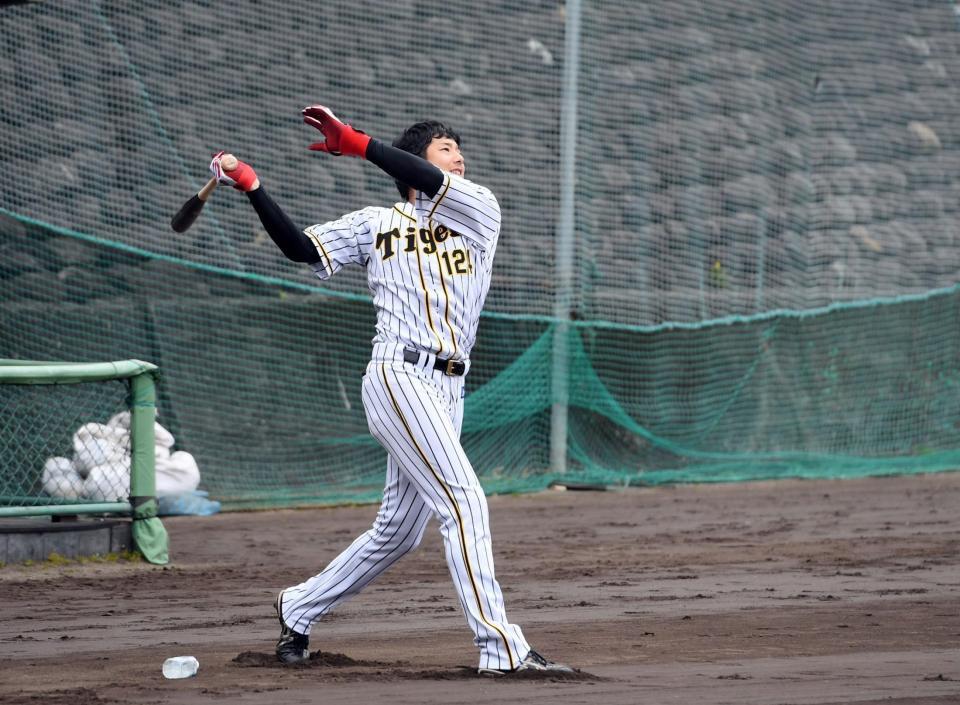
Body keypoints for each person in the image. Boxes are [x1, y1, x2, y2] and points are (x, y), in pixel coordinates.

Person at [209, 105, 573, 676]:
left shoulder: (480, 211)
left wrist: (358, 142)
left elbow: (431, 183)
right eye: (445, 148)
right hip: (398, 376)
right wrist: (253, 186)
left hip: (449, 388)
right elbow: (303, 250)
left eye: (458, 147)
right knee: (464, 502)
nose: (460, 157)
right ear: (413, 163)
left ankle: (298, 605)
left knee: (399, 532)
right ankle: (502, 649)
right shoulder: (376, 224)